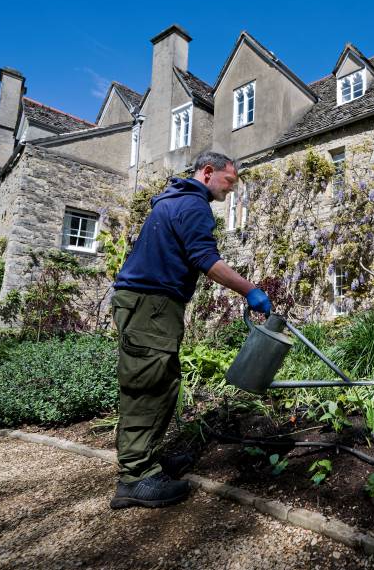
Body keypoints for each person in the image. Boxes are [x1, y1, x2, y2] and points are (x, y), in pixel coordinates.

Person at [109, 151, 271, 509]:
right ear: (209, 172)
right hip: (149, 305)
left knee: (163, 382)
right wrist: (250, 290)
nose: (230, 191)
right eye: (229, 182)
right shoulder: (193, 205)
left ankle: (148, 461)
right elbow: (206, 260)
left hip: (152, 305)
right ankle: (135, 478)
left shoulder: (175, 201)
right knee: (146, 386)